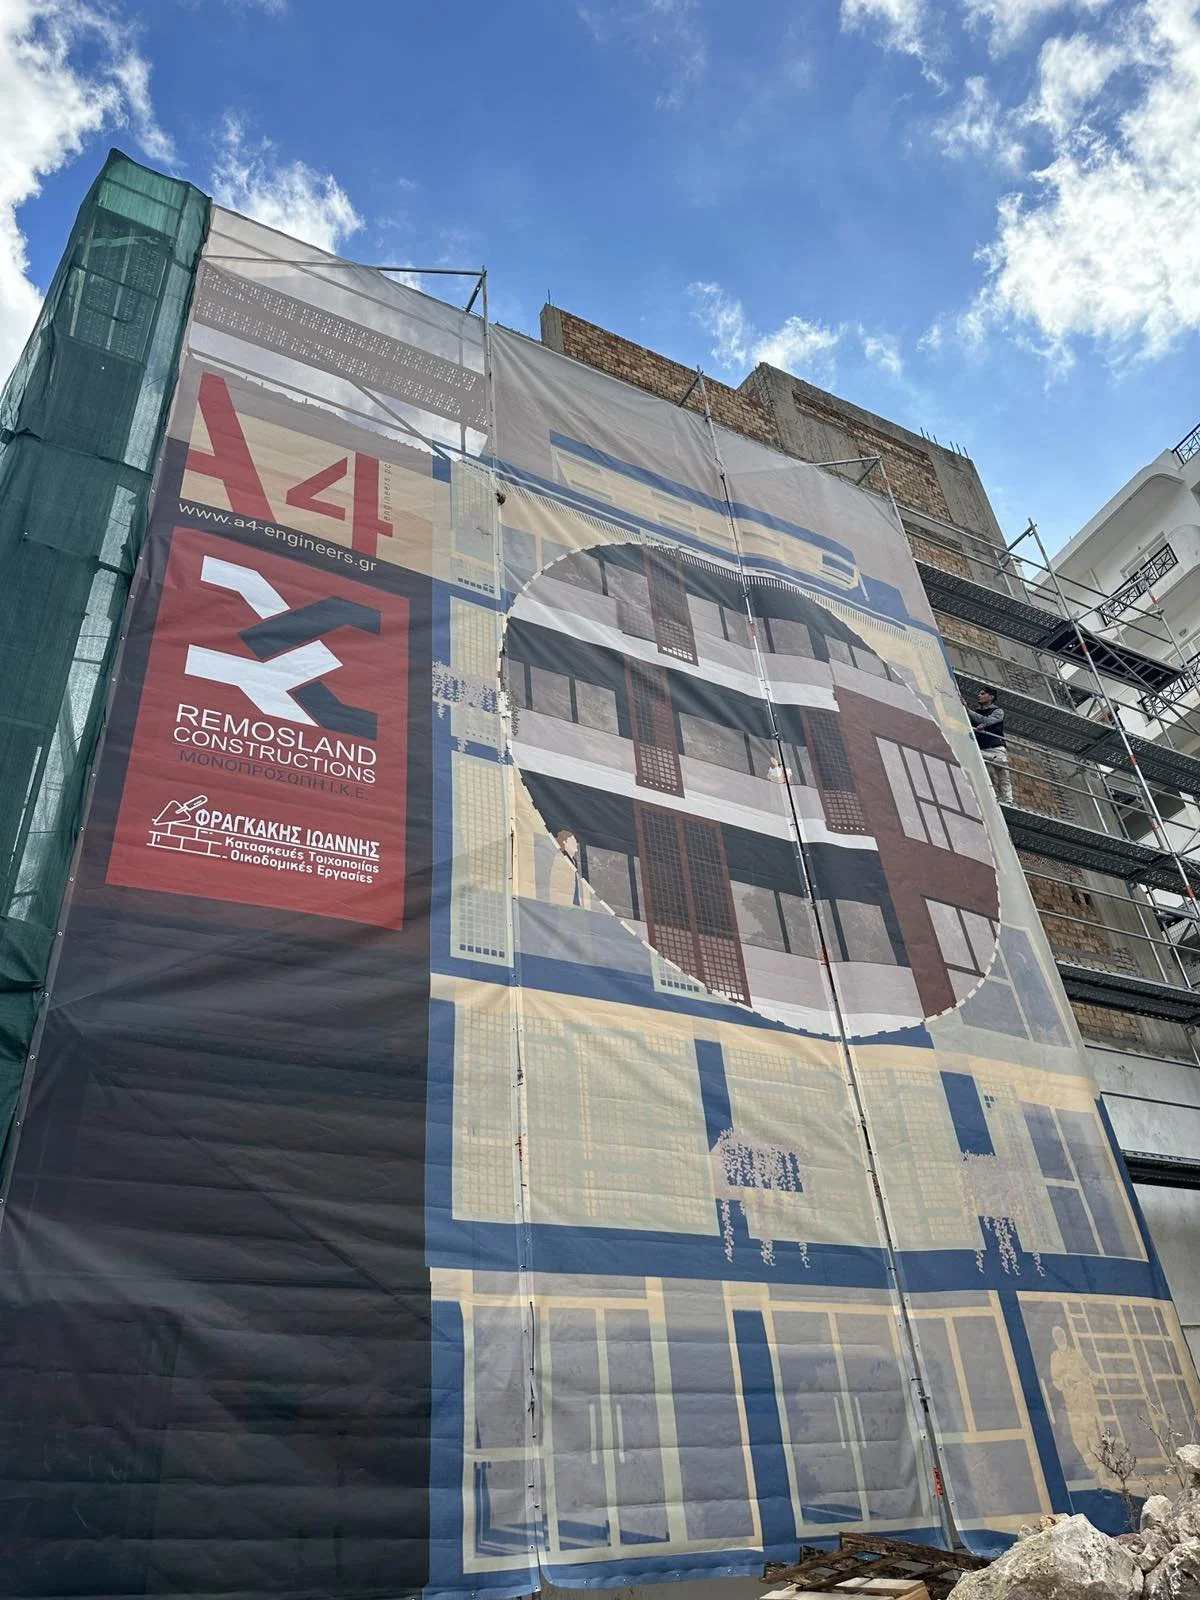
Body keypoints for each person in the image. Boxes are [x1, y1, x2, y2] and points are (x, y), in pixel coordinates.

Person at [967, 684, 1013, 805]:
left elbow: (987, 721)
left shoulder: (997, 711)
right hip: (982, 748)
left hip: (995, 747)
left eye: (982, 694)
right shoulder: (976, 712)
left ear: (991, 697)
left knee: (1003, 776)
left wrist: (968, 710)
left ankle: (1008, 800)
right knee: (985, 776)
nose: (979, 695)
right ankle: (993, 798)